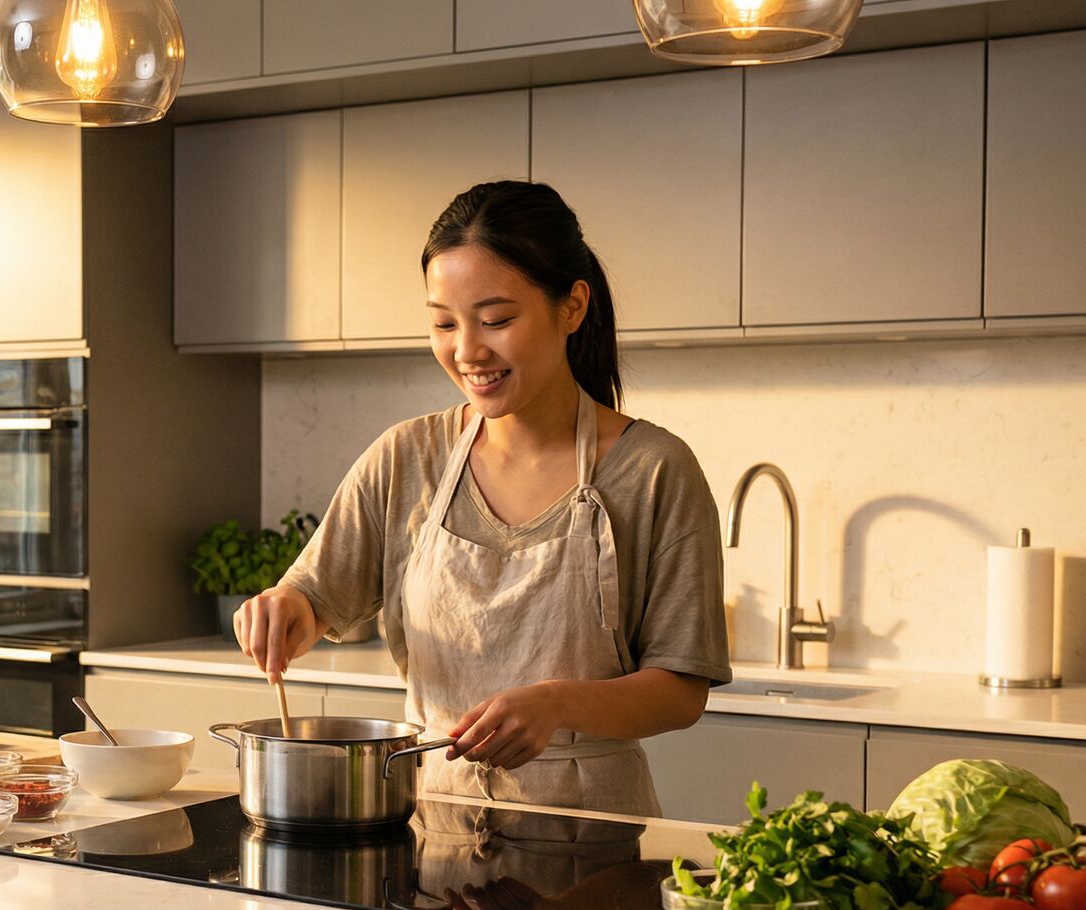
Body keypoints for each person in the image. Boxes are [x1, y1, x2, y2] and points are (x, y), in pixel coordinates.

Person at [234, 180, 731, 816]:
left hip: (592, 834)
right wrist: (282, 611)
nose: (467, 351)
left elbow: (681, 691)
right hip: (425, 826)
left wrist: (556, 703)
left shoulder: (655, 470)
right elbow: (313, 602)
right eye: (444, 323)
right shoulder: (406, 458)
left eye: (496, 320)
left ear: (571, 306)